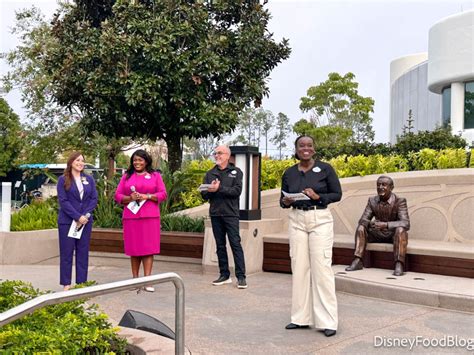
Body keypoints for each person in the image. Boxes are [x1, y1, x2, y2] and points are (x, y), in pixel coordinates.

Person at [280, 135, 342, 337]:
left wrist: (318, 197)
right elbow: (282, 199)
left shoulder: (325, 169)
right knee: (299, 268)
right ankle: (300, 318)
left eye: (309, 145)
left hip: (320, 219)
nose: (305, 148)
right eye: (301, 145)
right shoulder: (289, 173)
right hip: (297, 219)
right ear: (296, 149)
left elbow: (337, 194)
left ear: (314, 149)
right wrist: (286, 201)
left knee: (321, 269)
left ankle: (328, 321)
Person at [114, 149, 167, 292]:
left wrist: (147, 196)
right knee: (134, 248)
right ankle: (135, 280)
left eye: (140, 160)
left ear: (146, 161)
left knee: (148, 249)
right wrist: (130, 198)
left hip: (150, 218)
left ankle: (147, 281)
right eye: (135, 160)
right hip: (131, 217)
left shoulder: (155, 176)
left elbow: (163, 194)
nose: (137, 163)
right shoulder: (127, 176)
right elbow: (118, 196)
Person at [201, 145, 247, 289]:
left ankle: (241, 277)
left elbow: (236, 191)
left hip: (230, 214)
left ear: (227, 155)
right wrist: (210, 190)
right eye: (215, 153)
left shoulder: (236, 172)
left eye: (220, 153)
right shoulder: (210, 173)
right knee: (220, 245)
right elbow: (204, 195)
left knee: (235, 244)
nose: (217, 156)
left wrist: (219, 188)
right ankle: (224, 275)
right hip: (215, 213)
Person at [345, 175, 410, 276]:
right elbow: (363, 219)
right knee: (361, 228)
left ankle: (399, 264)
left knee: (401, 230)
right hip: (377, 233)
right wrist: (372, 224)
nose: (380, 187)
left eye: (384, 185)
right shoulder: (372, 201)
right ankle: (358, 260)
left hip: (393, 235)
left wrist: (386, 225)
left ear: (391, 188)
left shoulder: (400, 201)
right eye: (378, 185)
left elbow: (406, 223)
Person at [57, 152, 98, 291]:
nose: (80, 163)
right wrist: (77, 216)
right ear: (71, 162)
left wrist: (85, 216)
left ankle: (81, 284)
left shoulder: (89, 179)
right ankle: (66, 284)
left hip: (85, 222)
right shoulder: (63, 180)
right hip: (67, 222)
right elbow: (63, 201)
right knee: (66, 253)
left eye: (82, 160)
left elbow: (93, 199)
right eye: (77, 160)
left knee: (82, 253)